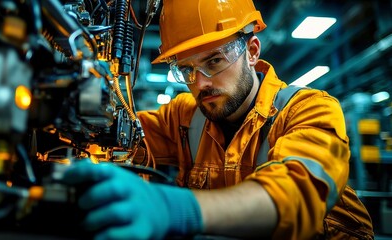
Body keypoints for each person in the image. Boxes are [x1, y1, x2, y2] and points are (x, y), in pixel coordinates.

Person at [61, 0, 374, 239]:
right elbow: (114, 131)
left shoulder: (309, 109)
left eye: (214, 61)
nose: (201, 83)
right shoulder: (182, 117)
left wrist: (178, 209)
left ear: (252, 51)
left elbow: (296, 196)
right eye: (186, 69)